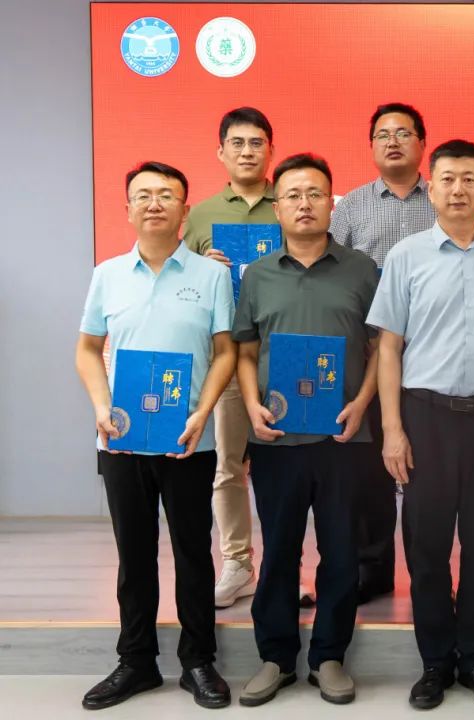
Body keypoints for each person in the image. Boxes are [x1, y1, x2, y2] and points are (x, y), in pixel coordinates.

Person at [368, 140, 474, 710]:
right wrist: (393, 428)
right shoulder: (406, 256)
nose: (458, 189)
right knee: (428, 546)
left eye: (469, 178)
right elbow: (388, 347)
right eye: (447, 179)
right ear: (432, 188)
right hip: (426, 418)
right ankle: (436, 662)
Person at [76, 161, 235, 710]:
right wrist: (101, 406)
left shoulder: (212, 276)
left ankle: (198, 661)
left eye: (166, 194)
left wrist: (204, 412)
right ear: (127, 209)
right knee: (134, 554)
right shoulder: (107, 274)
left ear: (185, 209)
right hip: (121, 441)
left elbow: (225, 352)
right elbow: (87, 349)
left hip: (188, 439)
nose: (154, 203)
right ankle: (136, 661)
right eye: (142, 194)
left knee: (193, 552)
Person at [232, 154, 380, 706]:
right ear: (278, 207)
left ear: (330, 203)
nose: (304, 204)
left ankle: (329, 656)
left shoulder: (362, 269)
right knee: (279, 551)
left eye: (315, 193)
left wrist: (362, 403)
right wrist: (252, 406)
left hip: (344, 436)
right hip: (276, 438)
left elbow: (381, 348)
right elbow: (246, 351)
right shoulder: (257, 274)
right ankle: (275, 657)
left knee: (342, 550)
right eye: (293, 195)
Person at [330, 103, 437, 603]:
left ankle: (429, 578)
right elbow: (332, 269)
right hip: (370, 354)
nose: (392, 141)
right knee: (370, 472)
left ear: (422, 144)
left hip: (433, 355)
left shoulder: (441, 199)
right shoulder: (351, 205)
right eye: (382, 134)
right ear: (371, 146)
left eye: (403, 133)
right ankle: (371, 572)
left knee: (428, 476)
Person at [183, 106, 277, 609]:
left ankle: (285, 567)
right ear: (220, 152)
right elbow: (181, 283)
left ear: (270, 150)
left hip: (283, 357)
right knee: (227, 466)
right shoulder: (200, 214)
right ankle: (237, 562)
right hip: (226, 358)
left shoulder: (289, 201)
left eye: (256, 142)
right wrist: (203, 267)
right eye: (237, 143)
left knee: (288, 471)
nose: (247, 151)